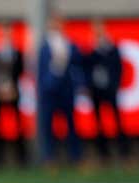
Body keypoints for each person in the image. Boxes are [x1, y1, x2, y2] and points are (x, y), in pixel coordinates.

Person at [37, 12, 85, 165]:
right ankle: (49, 158)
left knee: (71, 125)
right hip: (49, 92)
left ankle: (75, 157)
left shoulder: (70, 44)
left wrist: (80, 85)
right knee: (48, 126)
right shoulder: (44, 46)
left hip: (66, 90)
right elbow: (40, 70)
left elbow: (78, 66)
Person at [84, 19, 130, 162]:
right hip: (96, 90)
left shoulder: (111, 47)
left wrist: (115, 85)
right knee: (98, 122)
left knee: (117, 120)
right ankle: (104, 153)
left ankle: (124, 151)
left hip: (110, 89)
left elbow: (118, 68)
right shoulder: (91, 48)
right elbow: (87, 69)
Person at [0, 22, 28, 167]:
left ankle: (21, 157)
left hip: (14, 92)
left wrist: (13, 88)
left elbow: (21, 72)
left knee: (18, 124)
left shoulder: (18, 53)